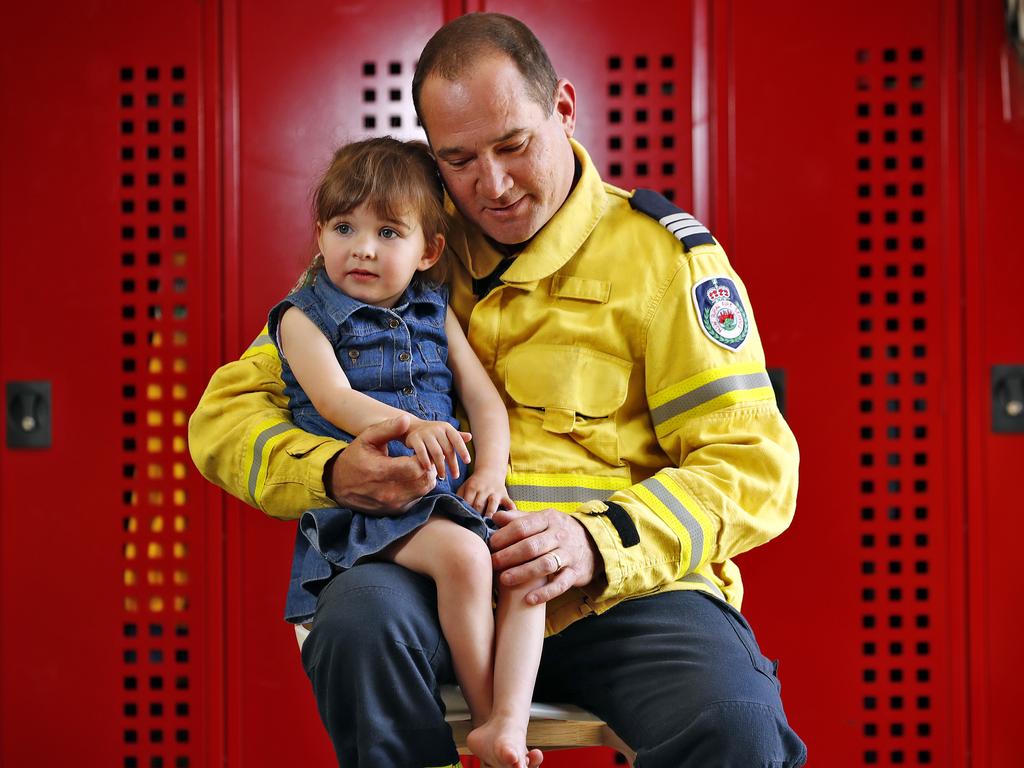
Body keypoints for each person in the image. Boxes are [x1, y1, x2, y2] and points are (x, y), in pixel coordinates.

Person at [189, 12, 808, 768]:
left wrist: (596, 540)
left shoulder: (663, 260)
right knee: (355, 624)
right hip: (432, 577)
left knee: (736, 724)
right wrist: (329, 470)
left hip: (618, 593)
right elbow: (225, 418)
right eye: (459, 160)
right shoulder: (398, 240)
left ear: (565, 109)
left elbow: (755, 466)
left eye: (513, 146)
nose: (494, 184)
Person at [268, 136, 545, 768]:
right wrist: (408, 423)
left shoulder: (432, 309)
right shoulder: (303, 318)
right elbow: (336, 400)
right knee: (467, 559)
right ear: (319, 236)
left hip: (446, 496)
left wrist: (491, 474)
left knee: (531, 566)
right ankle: (486, 726)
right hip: (369, 511)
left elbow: (485, 403)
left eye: (389, 232)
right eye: (344, 226)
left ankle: (509, 715)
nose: (362, 247)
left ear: (429, 252)